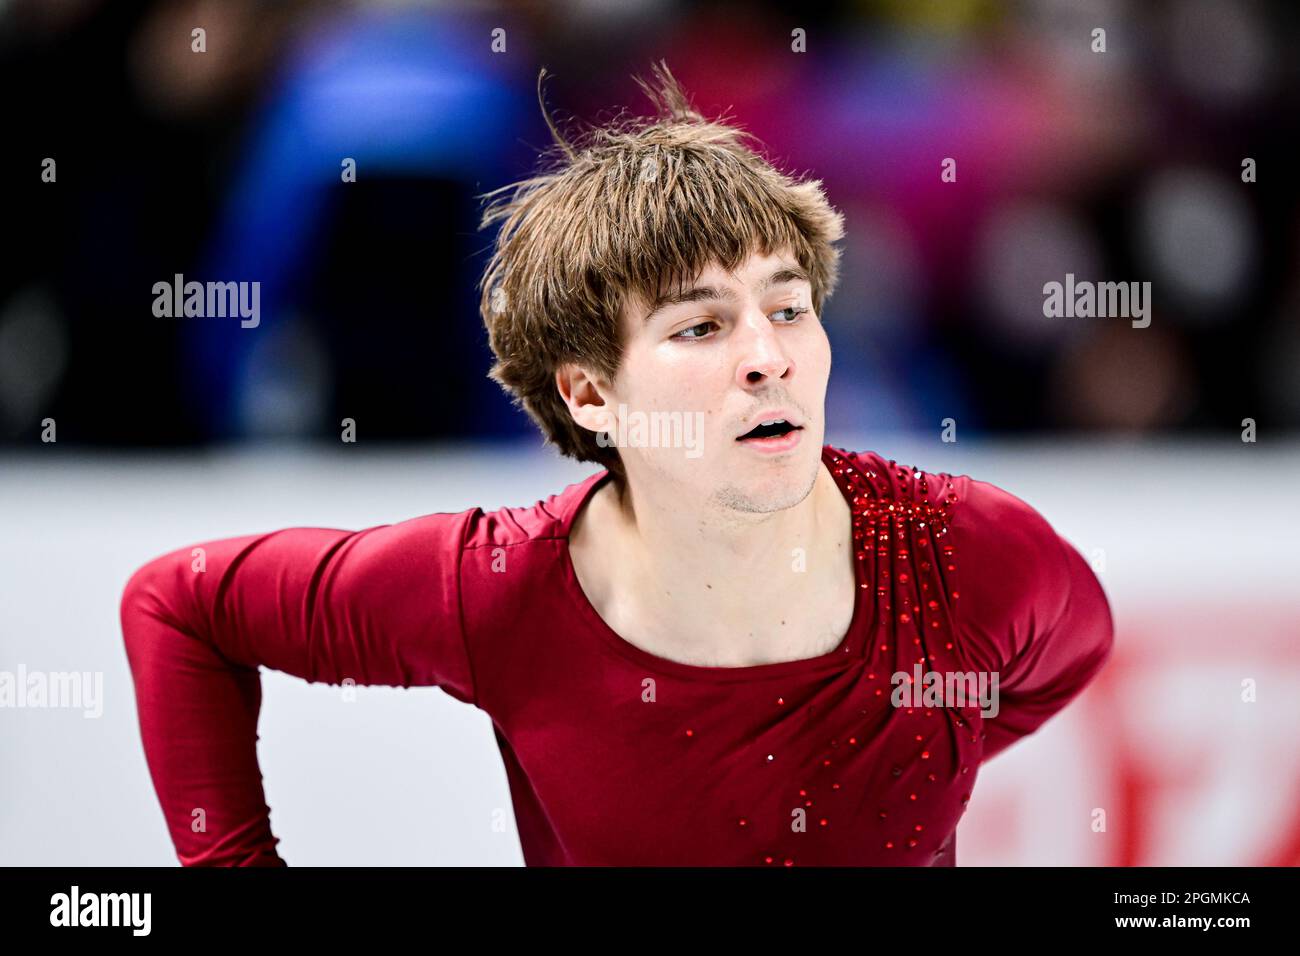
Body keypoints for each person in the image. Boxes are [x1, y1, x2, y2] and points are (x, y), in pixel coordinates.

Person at [120, 62, 1114, 866]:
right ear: (591, 394)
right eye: (699, 325)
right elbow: (180, 602)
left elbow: (1062, 657)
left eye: (786, 304)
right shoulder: (501, 587)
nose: (766, 355)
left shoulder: (965, 553)